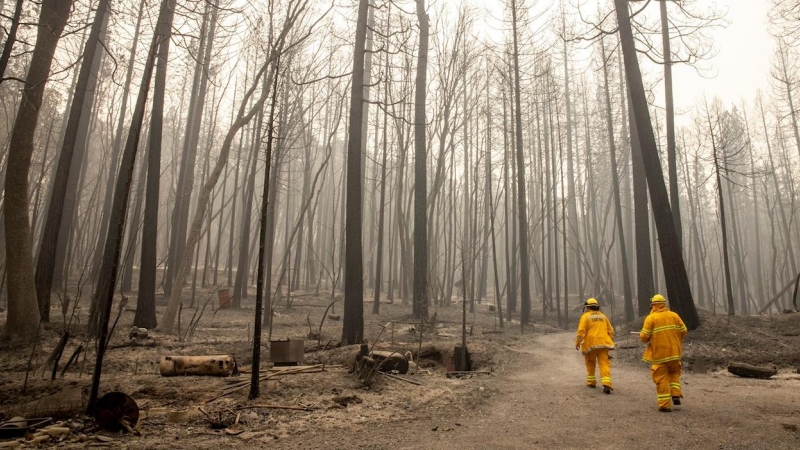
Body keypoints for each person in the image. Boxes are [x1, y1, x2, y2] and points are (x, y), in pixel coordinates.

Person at [639, 293, 688, 412]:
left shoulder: (651, 318)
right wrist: (675, 340)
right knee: (674, 374)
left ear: (653, 305)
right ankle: (675, 394)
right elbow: (684, 330)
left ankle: (665, 404)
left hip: (660, 354)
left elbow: (644, 337)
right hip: (675, 353)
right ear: (663, 304)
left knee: (661, 377)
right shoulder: (674, 315)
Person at [574, 298, 615, 394]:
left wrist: (577, 342)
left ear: (587, 307)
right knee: (604, 364)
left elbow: (581, 332)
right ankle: (607, 384)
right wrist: (608, 339)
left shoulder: (585, 317)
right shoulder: (604, 317)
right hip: (604, 344)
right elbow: (611, 331)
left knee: (590, 362)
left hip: (591, 344)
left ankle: (591, 381)